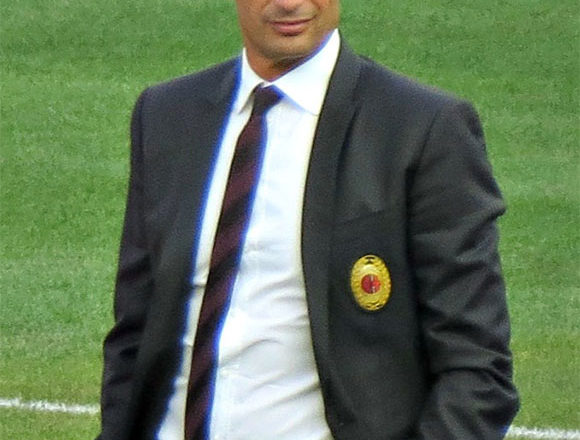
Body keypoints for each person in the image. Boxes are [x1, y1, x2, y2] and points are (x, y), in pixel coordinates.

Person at [98, 0, 519, 439]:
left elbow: (477, 367)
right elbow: (134, 331)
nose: (289, 3)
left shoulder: (420, 128)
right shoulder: (167, 114)